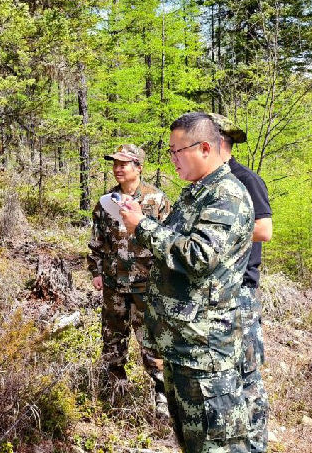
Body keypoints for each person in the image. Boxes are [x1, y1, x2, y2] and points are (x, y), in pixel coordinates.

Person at [119, 113, 254, 453]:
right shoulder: (196, 193)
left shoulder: (226, 195)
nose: (173, 159)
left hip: (206, 353)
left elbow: (198, 255)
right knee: (192, 443)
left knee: (217, 446)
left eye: (178, 151)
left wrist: (142, 226)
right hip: (182, 348)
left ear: (205, 148)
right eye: (170, 151)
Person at [87, 144, 171, 416]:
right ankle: (115, 390)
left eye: (124, 164)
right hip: (114, 284)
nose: (118, 168)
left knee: (152, 341)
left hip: (147, 286)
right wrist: (96, 271)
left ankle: (162, 395)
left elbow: (169, 242)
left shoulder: (156, 200)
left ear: (139, 167)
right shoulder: (106, 202)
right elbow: (97, 240)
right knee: (112, 338)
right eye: (115, 164)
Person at [208, 113, 272, 453]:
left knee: (247, 375)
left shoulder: (246, 179)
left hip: (240, 291)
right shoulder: (206, 184)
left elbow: (264, 229)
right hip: (214, 292)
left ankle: (255, 444)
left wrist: (216, 234)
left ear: (218, 143)